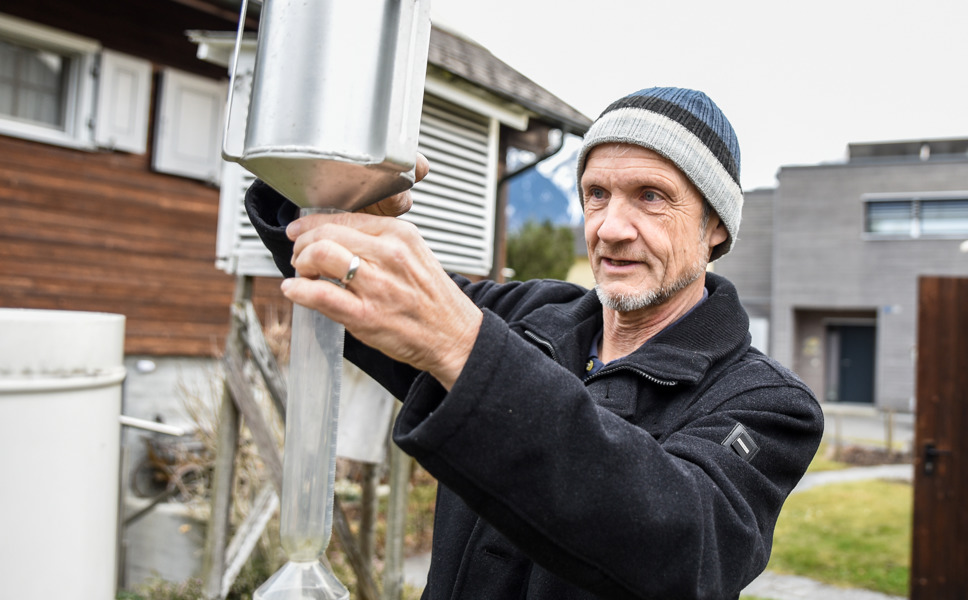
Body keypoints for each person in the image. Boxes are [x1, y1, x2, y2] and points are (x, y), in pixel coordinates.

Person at [246, 87, 824, 600]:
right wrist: (334, 196)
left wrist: (464, 349)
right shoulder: (529, 315)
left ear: (715, 226)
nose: (610, 228)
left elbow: (684, 550)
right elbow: (336, 282)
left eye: (651, 196)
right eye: (596, 194)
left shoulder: (767, 403)